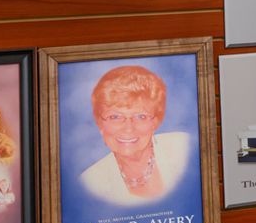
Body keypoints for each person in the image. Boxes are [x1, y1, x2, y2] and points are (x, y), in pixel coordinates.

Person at [80, 65, 190, 206]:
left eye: (141, 116)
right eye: (114, 116)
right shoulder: (90, 181)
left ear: (156, 121)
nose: (128, 128)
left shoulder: (184, 147)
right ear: (100, 124)